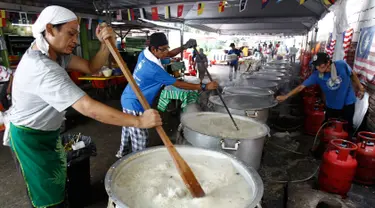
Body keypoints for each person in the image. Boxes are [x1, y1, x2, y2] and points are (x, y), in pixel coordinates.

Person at [7, 6, 162, 208]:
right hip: (30, 139)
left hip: (48, 133)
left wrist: (106, 45)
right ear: (50, 29)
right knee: (45, 196)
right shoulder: (42, 68)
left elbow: (91, 67)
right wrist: (140, 121)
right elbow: (88, 107)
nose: (75, 40)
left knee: (57, 182)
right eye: (70, 34)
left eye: (76, 34)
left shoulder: (56, 53)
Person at [119, 33, 218, 157]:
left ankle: (122, 154)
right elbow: (179, 84)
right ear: (154, 49)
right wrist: (204, 86)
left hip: (127, 96)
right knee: (140, 137)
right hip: (135, 103)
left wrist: (185, 46)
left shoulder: (145, 54)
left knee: (128, 129)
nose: (167, 51)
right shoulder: (153, 69)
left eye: (167, 47)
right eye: (163, 49)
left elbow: (170, 54)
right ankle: (137, 159)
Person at [276, 52, 365, 139]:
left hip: (347, 102)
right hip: (332, 104)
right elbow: (301, 87)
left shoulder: (341, 65)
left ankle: (345, 147)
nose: (319, 68)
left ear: (328, 62)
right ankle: (325, 146)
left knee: (347, 127)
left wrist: (360, 87)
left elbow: (352, 74)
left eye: (321, 65)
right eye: (317, 66)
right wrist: (286, 96)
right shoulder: (317, 75)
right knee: (327, 127)